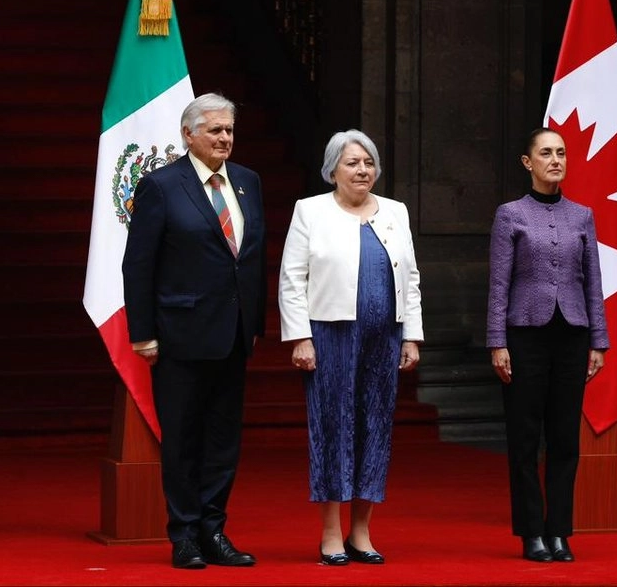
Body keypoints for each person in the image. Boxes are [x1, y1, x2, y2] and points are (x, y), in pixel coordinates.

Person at [121, 92, 266, 569]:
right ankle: (183, 535)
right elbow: (139, 264)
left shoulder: (247, 182)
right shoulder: (162, 186)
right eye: (215, 131)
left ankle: (214, 530)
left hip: (233, 334)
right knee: (183, 440)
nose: (225, 138)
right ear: (189, 135)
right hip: (181, 335)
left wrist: (255, 322)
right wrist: (142, 333)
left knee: (224, 441)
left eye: (229, 130)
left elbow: (251, 259)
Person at [278, 129, 424, 566]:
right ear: (332, 170)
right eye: (352, 163)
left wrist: (412, 335)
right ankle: (330, 533)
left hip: (385, 337)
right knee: (332, 427)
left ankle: (361, 531)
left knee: (374, 428)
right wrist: (300, 336)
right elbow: (292, 279)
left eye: (368, 163)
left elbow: (411, 279)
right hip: (330, 336)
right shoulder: (310, 211)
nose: (362, 170)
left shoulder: (396, 211)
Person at [486, 127, 609, 563]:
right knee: (524, 439)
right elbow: (499, 283)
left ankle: (560, 531)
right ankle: (531, 532)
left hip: (572, 335)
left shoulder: (582, 216)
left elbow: (593, 281)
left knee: (564, 440)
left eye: (561, 153)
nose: (555, 160)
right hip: (524, 336)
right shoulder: (510, 215)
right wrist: (497, 342)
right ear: (528, 162)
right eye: (546, 153)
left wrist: (599, 340)